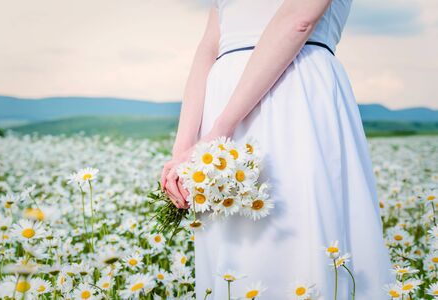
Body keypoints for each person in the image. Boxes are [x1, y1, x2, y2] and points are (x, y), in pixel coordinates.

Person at [160, 0, 394, 298]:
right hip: (222, 110)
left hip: (293, 89)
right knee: (236, 255)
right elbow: (209, 46)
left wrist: (218, 130)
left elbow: (299, 19)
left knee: (293, 239)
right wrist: (184, 150)